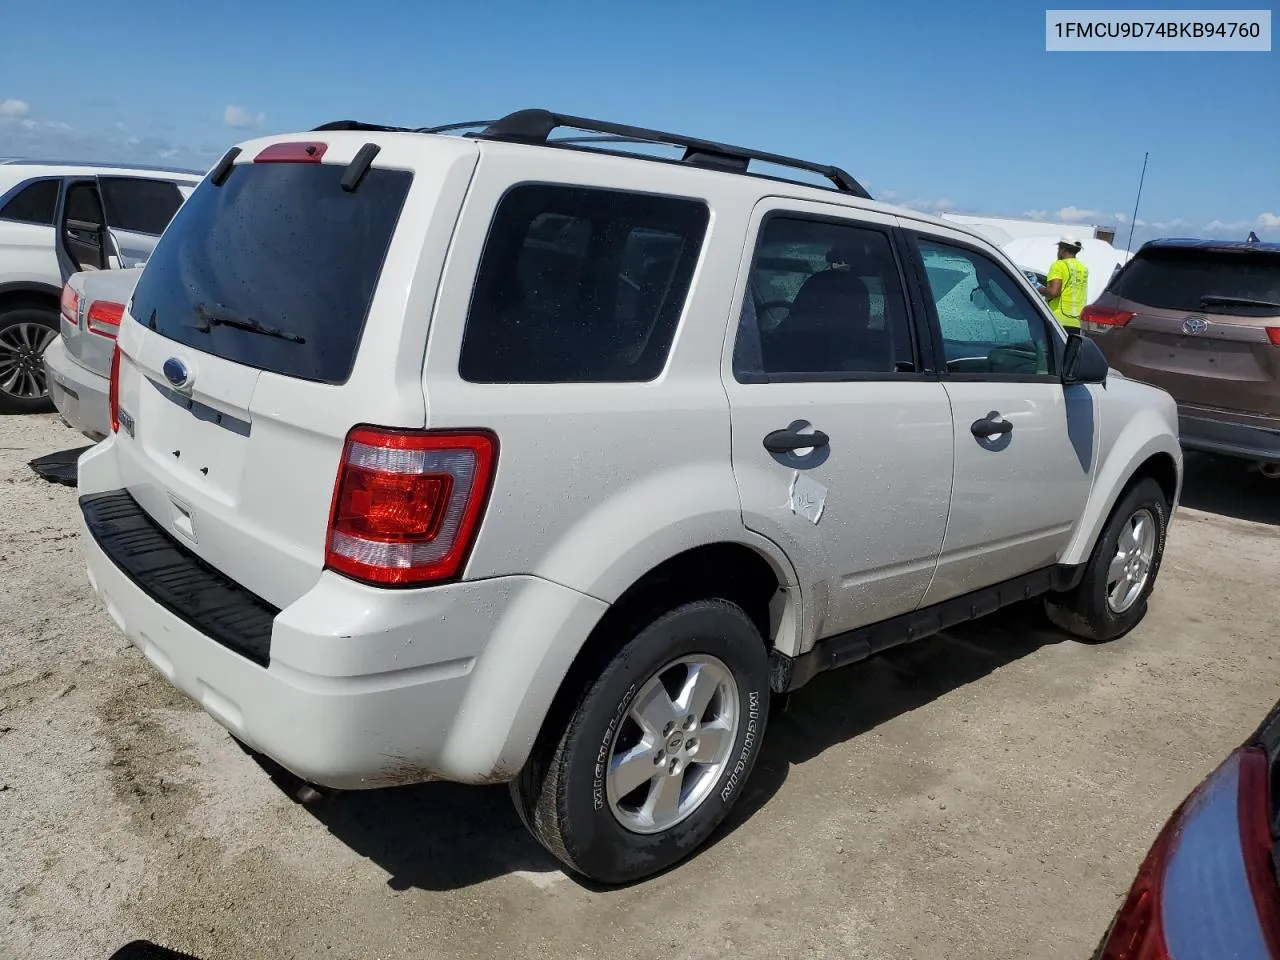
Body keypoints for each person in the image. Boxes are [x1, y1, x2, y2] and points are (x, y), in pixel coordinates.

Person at [1038, 234, 1089, 330]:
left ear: (1063, 249)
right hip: (1078, 321)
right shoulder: (1083, 268)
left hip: (1059, 319)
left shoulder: (1059, 265)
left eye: (1059, 248)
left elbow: (1053, 292)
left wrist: (1037, 289)